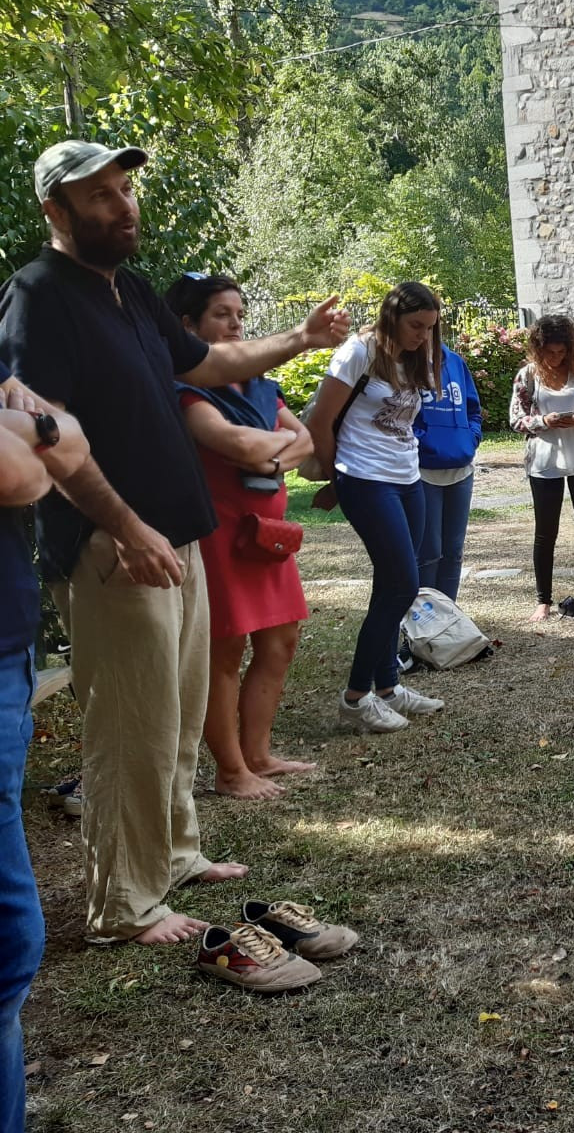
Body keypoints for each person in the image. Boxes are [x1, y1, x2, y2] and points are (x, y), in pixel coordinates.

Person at [0, 141, 348, 945]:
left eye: (123, 189)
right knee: (130, 726)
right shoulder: (37, 297)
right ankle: (125, 902)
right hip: (112, 546)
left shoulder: (130, 292)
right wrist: (122, 527)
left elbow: (213, 359)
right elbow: (42, 437)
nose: (123, 206)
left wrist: (299, 338)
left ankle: (175, 856)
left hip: (179, 535)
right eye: (99, 197)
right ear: (56, 212)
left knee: (176, 714)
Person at [166, 274, 315, 800]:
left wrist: (267, 450)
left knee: (281, 641)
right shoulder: (184, 386)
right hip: (220, 535)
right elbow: (228, 440)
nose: (235, 324)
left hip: (269, 536)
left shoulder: (259, 386)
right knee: (223, 652)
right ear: (188, 326)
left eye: (239, 314)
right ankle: (231, 772)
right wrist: (274, 448)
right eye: (221, 315)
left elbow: (307, 441)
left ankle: (258, 755)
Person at [0, 373, 87, 1133]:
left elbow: (67, 437)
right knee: (6, 946)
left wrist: (38, 425)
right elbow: (23, 472)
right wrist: (38, 431)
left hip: (7, 651)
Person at [305, 281, 446, 734]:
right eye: (415, 326)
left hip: (407, 477)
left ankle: (388, 688)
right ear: (392, 317)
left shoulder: (417, 355)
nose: (422, 336)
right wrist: (334, 480)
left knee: (393, 583)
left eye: (429, 328)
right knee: (403, 585)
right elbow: (321, 422)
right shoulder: (358, 351)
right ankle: (355, 697)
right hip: (364, 478)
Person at [509, 315, 574, 622]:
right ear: (538, 350)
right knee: (546, 532)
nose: (556, 358)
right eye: (550, 353)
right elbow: (515, 419)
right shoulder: (527, 376)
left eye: (561, 352)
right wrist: (543, 422)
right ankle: (543, 601)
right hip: (544, 462)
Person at [415, 341, 481, 600]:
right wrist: (424, 445)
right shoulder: (406, 364)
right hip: (423, 472)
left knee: (453, 553)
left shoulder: (455, 363)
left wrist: (470, 439)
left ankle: (448, 620)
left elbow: (473, 409)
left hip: (461, 470)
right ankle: (422, 624)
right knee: (428, 552)